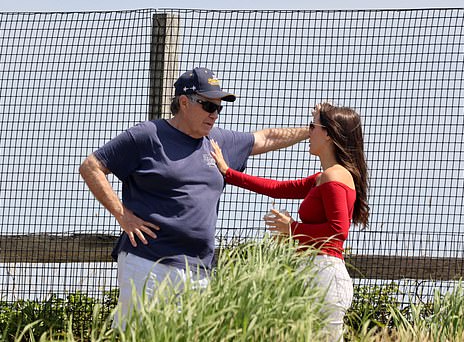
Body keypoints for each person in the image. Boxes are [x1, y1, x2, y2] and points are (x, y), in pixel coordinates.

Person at [79, 67, 308, 327]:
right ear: (185, 102)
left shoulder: (217, 140)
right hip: (147, 263)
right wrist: (123, 216)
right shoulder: (147, 135)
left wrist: (311, 130)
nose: (214, 115)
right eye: (208, 106)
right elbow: (91, 166)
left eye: (218, 108)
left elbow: (265, 138)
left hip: (198, 270)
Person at [210, 102, 369, 342]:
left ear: (328, 134)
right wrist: (228, 173)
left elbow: (337, 231)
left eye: (312, 126)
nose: (308, 133)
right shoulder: (323, 177)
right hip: (315, 274)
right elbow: (277, 188)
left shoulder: (335, 176)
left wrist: (292, 229)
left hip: (325, 276)